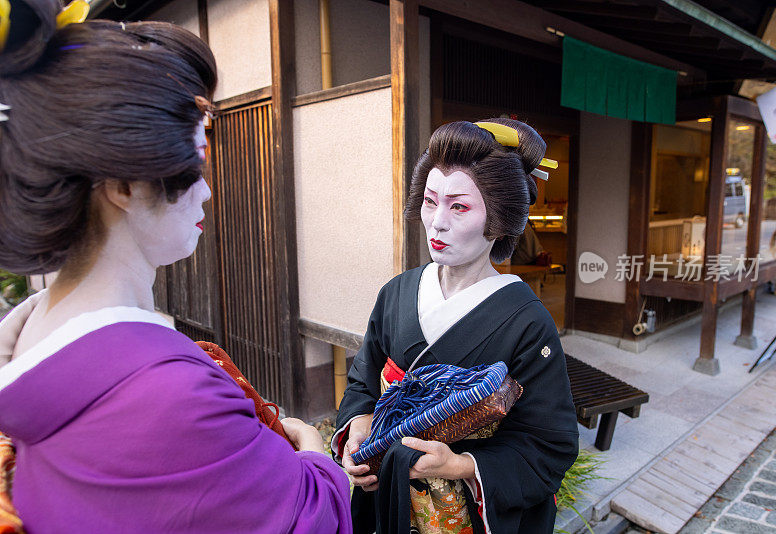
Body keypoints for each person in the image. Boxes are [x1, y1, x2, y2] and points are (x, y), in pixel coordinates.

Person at [0, 1, 351, 532]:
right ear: (122, 185)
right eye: (193, 166)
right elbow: (310, 516)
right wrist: (317, 459)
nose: (207, 191)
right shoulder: (164, 397)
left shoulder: (34, 340)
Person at [332, 118, 579, 534]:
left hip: (465, 514)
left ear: (498, 218)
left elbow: (548, 443)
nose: (437, 222)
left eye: (459, 206)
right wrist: (358, 424)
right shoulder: (397, 292)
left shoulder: (527, 322)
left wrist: (460, 464)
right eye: (430, 201)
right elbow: (363, 379)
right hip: (386, 493)